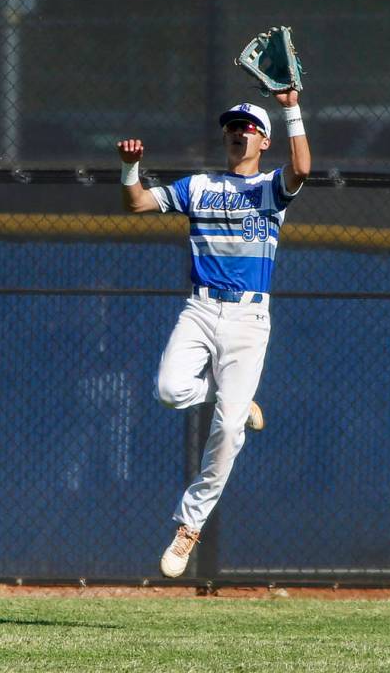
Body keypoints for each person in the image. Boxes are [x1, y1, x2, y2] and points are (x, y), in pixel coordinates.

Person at [116, 90, 311, 578]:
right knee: (168, 390)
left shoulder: (270, 187)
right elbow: (137, 203)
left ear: (263, 140)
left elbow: (303, 169)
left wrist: (291, 108)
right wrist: (128, 168)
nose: (237, 132)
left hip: (248, 319)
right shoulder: (199, 185)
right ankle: (236, 401)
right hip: (201, 308)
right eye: (231, 126)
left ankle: (189, 527)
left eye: (247, 127)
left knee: (226, 431)